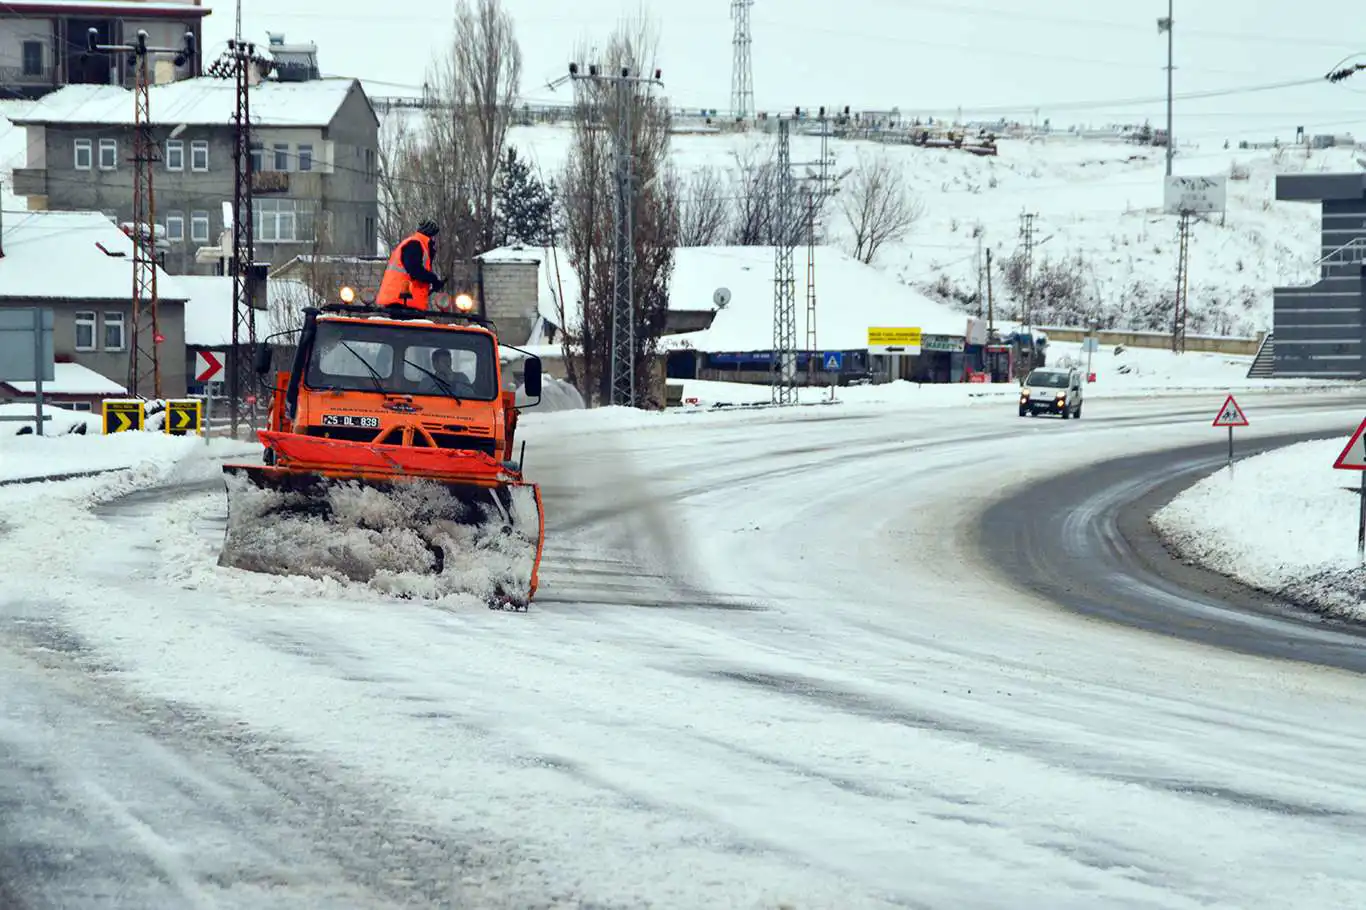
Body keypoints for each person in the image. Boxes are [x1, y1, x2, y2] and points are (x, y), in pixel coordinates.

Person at [377, 218, 446, 310]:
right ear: (431, 235)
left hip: (405, 301)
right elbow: (415, 270)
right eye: (435, 236)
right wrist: (433, 279)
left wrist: (433, 281)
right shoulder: (415, 244)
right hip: (403, 301)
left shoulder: (416, 244)